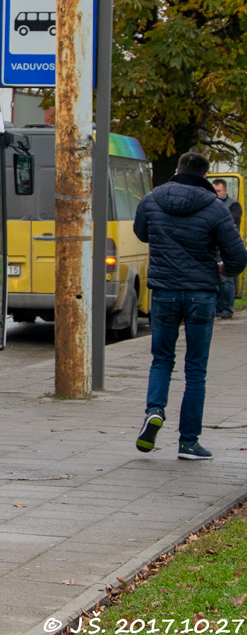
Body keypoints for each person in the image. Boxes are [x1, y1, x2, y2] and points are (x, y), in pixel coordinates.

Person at [133, 152, 247, 459]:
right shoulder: (215, 208)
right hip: (201, 294)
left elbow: (141, 232)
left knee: (162, 359)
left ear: (178, 170)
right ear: (206, 176)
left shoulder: (152, 199)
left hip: (164, 293)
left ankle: (154, 411)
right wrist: (222, 269)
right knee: (196, 368)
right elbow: (238, 257)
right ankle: (188, 442)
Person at [211, 178, 242, 320]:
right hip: (213, 246)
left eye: (218, 191)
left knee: (227, 278)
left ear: (225, 191)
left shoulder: (233, 205)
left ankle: (226, 309)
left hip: (227, 246)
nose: (216, 193)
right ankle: (217, 308)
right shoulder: (211, 204)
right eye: (214, 191)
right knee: (215, 278)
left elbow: (233, 223)